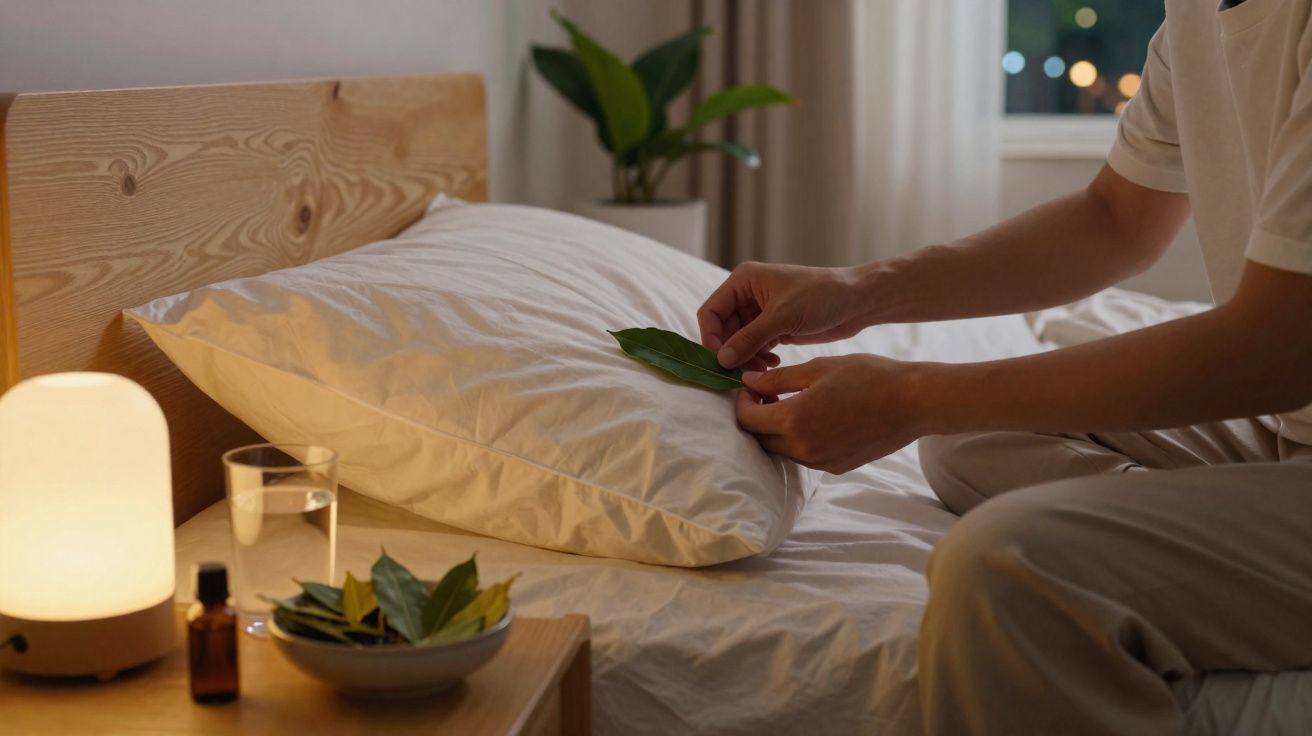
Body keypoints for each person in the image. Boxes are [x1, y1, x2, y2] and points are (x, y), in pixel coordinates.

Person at [696, 2, 1312, 733]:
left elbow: (1275, 348)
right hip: (1291, 434)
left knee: (1007, 564)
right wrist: (855, 292)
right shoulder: (1195, 16)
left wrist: (914, 395)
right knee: (968, 439)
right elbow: (1115, 219)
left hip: (1287, 392)